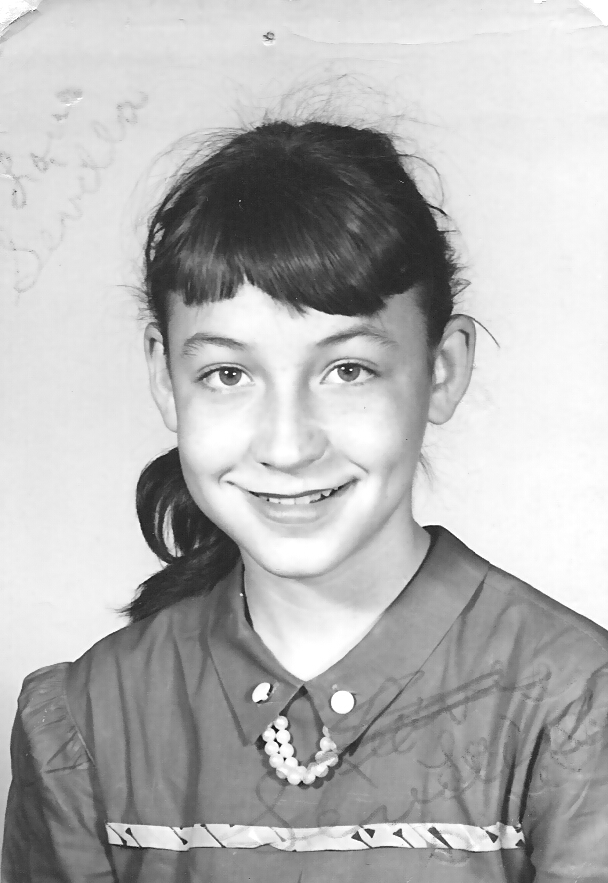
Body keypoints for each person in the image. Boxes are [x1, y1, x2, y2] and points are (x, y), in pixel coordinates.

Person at [2, 118, 607, 883]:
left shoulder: (577, 707)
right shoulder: (85, 720)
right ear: (164, 376)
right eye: (228, 374)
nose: (286, 446)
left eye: (348, 370)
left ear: (443, 368)